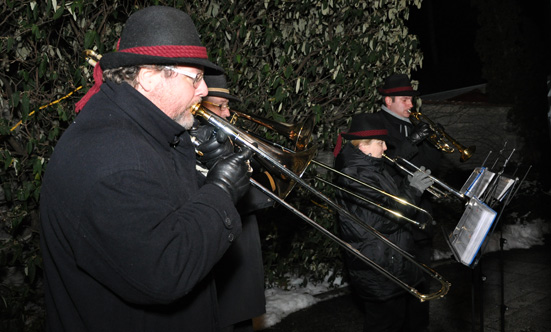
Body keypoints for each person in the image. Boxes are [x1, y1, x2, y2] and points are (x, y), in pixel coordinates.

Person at [39, 6, 254, 332]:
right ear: (149, 76)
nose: (204, 90)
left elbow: (167, 208)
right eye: (195, 78)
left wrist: (204, 173)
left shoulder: (142, 131)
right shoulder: (113, 164)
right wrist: (221, 192)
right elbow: (166, 268)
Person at [332, 113, 435, 332]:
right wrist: (413, 190)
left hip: (392, 262)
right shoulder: (355, 176)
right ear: (364, 147)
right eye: (381, 143)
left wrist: (407, 185)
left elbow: (390, 200)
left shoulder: (373, 168)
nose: (386, 148)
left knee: (397, 321)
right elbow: (384, 219)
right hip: (379, 268)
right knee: (383, 324)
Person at [200, 74, 271, 332]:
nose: (228, 113)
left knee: (242, 322)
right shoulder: (197, 141)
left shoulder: (226, 136)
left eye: (227, 106)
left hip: (242, 248)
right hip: (223, 258)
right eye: (220, 105)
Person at [372, 73, 443, 330]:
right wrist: (412, 142)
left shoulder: (415, 124)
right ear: (388, 100)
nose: (411, 105)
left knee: (421, 287)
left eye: (412, 100)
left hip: (421, 218)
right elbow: (385, 168)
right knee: (394, 296)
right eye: (405, 100)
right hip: (394, 221)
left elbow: (433, 167)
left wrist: (433, 142)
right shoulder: (376, 126)